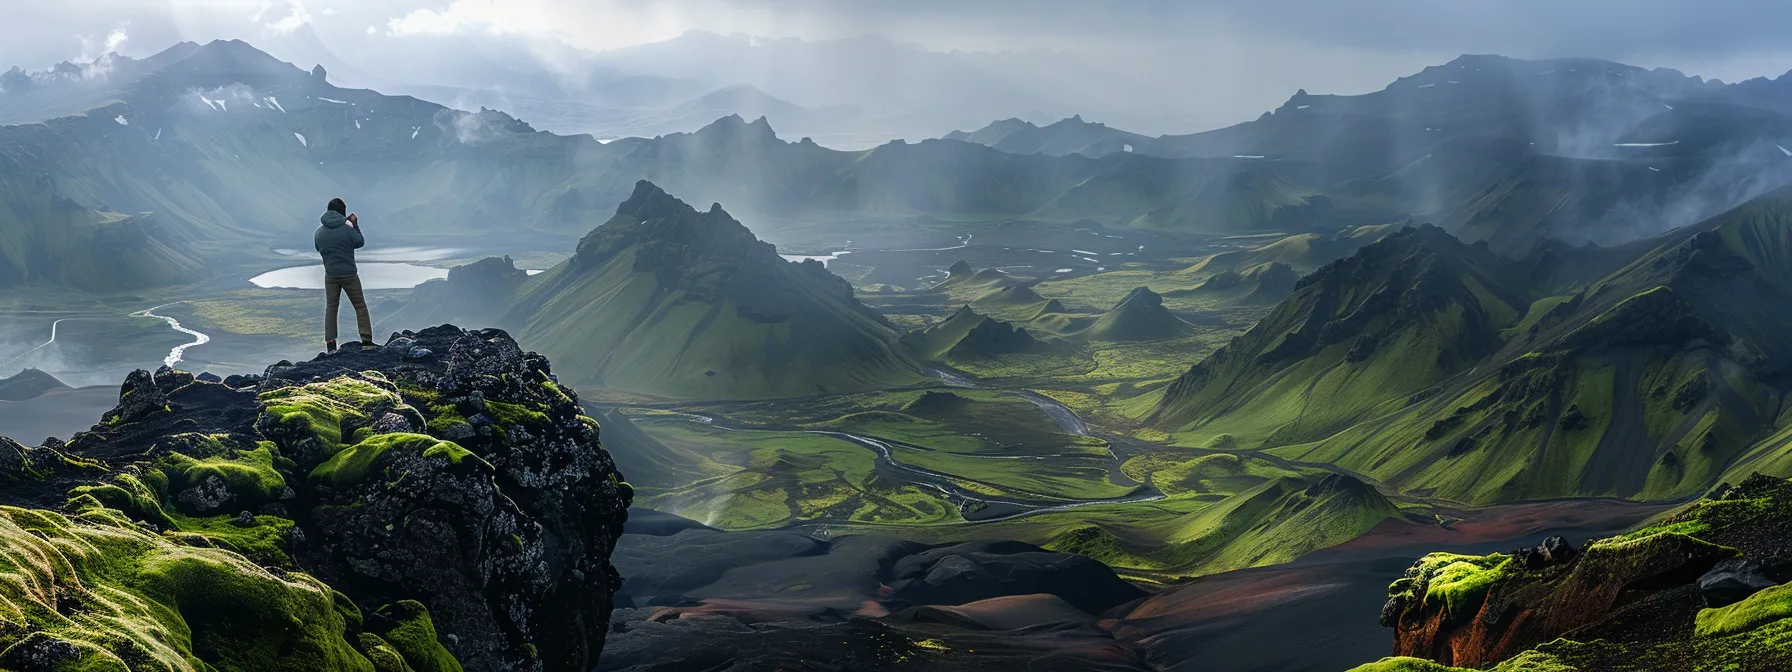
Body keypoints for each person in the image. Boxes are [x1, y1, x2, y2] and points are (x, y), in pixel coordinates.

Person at [315, 197, 374, 352]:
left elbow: (318, 248)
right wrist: (354, 225)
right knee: (360, 306)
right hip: (349, 274)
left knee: (331, 307)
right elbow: (359, 242)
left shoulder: (319, 233)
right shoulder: (347, 229)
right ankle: (366, 340)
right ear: (342, 212)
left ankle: (331, 344)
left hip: (331, 275)